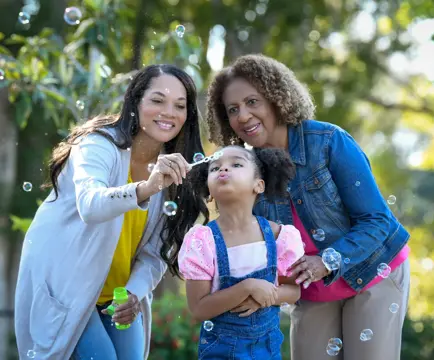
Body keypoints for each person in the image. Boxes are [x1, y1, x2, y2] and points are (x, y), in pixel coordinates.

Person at [205, 54, 411, 360]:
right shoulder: (246, 170)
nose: (243, 116)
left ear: (276, 98)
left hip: (372, 271)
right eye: (233, 109)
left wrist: (327, 261)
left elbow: (377, 220)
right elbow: (247, 240)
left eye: (252, 102)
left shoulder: (328, 141)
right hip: (311, 289)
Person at [14, 64, 209, 360]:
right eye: (157, 100)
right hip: (67, 285)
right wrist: (147, 186)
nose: (169, 112)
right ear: (136, 102)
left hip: (116, 294)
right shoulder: (98, 145)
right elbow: (90, 205)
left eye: (179, 106)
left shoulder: (174, 170)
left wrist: (134, 292)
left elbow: (155, 254)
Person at [179, 145, 305, 359]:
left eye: (236, 164)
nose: (223, 170)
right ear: (208, 191)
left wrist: (262, 298)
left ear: (259, 185)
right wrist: (248, 287)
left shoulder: (279, 236)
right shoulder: (202, 241)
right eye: (215, 167)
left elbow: (294, 291)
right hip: (221, 352)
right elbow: (199, 308)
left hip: (267, 349)